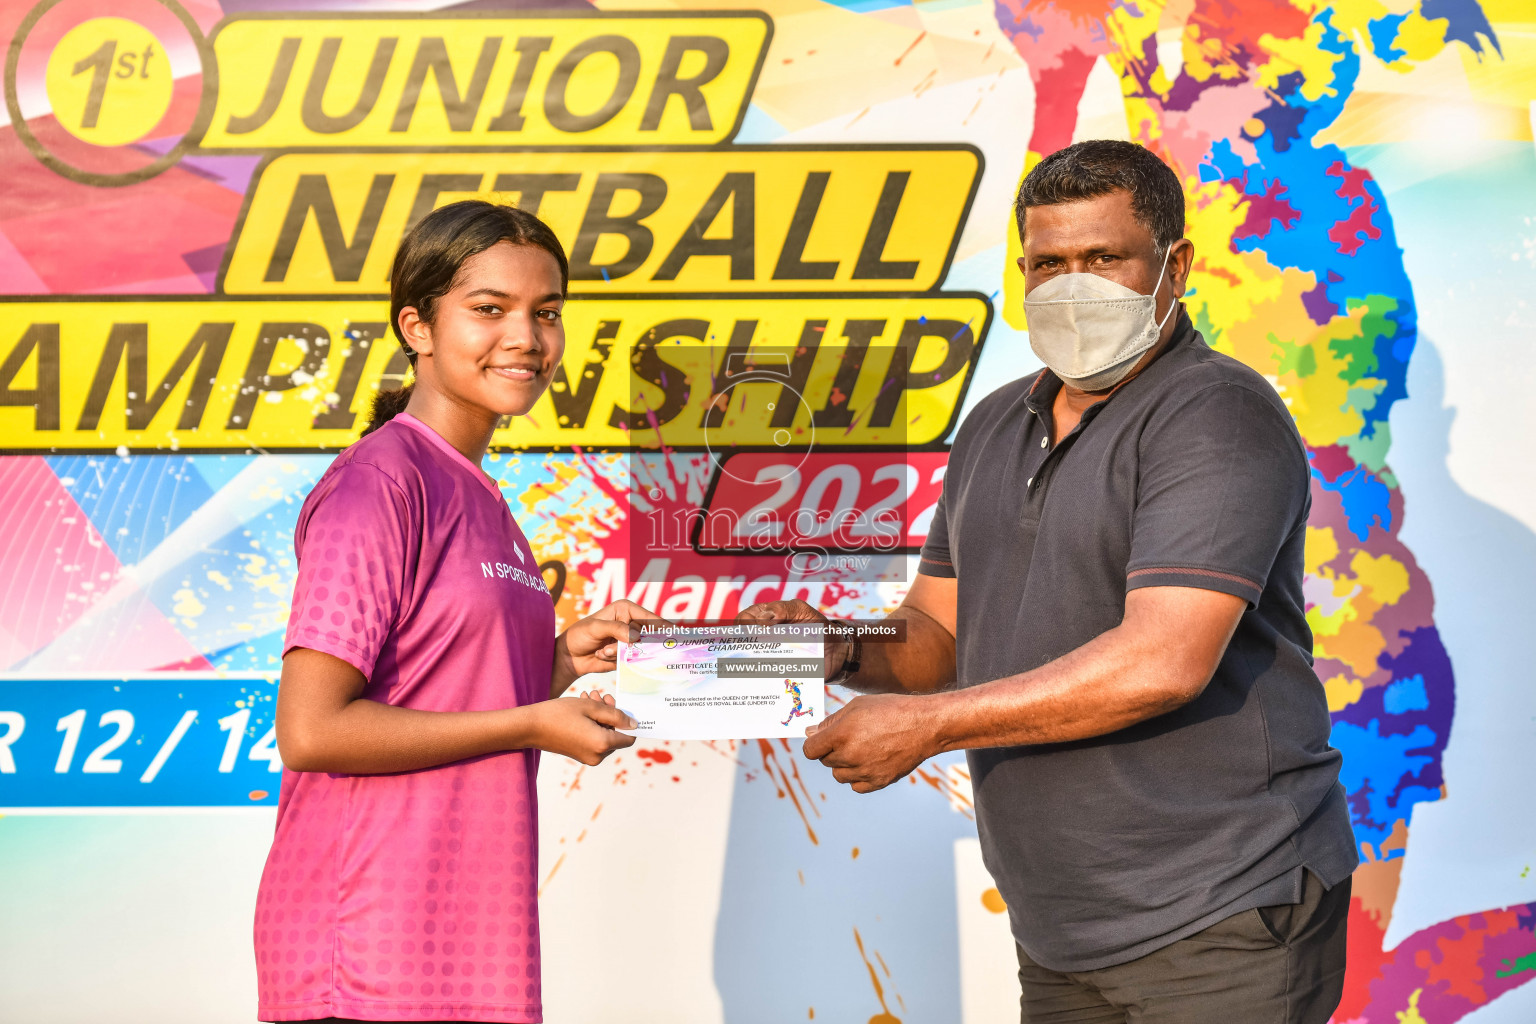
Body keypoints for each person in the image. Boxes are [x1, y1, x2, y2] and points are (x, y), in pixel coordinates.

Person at [741, 141, 1358, 1023]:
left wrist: (926, 727)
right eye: (1049, 263)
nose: (1073, 285)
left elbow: (1163, 661)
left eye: (1104, 259)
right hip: (1064, 931)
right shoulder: (997, 423)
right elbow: (939, 639)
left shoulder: (1215, 413)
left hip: (1220, 913)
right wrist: (837, 643)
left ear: (1173, 267)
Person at [256, 200, 653, 1024]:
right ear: (418, 326)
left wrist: (562, 660)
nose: (526, 338)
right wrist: (533, 724)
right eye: (488, 309)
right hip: (369, 950)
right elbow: (314, 730)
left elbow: (448, 686)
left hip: (467, 941)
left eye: (547, 314)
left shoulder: (478, 492)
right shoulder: (380, 483)